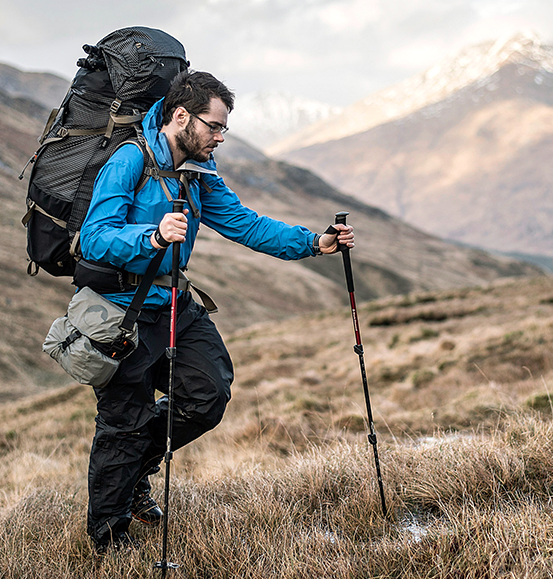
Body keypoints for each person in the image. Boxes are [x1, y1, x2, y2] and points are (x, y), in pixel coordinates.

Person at [78, 70, 354, 551]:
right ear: (180, 116)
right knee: (122, 421)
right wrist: (152, 236)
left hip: (173, 305)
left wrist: (313, 243)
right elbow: (95, 236)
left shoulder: (200, 174)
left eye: (224, 127)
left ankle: (133, 469)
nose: (221, 136)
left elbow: (246, 224)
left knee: (207, 396)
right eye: (214, 125)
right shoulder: (129, 161)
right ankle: (108, 539)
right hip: (120, 310)